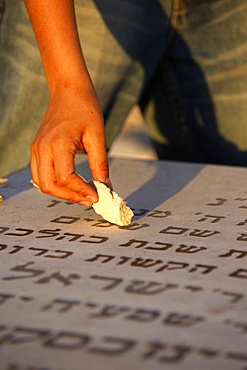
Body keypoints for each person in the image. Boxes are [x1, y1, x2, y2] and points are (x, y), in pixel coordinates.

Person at [1, 0, 247, 205]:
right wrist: (67, 83)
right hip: (88, 8)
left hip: (230, 10)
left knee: (234, 199)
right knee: (24, 186)